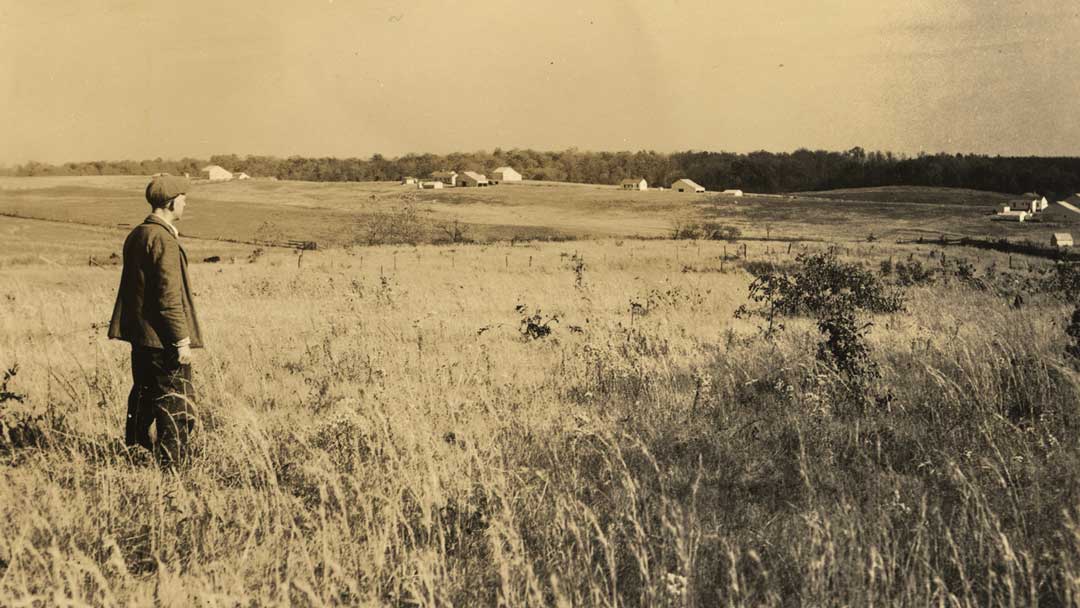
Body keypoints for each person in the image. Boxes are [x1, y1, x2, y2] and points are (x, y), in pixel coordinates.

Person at [108, 174, 203, 466]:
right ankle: (174, 471)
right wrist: (181, 341)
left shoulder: (138, 233)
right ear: (172, 202)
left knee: (143, 399)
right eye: (184, 199)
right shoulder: (163, 238)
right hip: (163, 340)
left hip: (142, 338)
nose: (186, 204)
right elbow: (168, 297)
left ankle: (135, 457)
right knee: (175, 404)